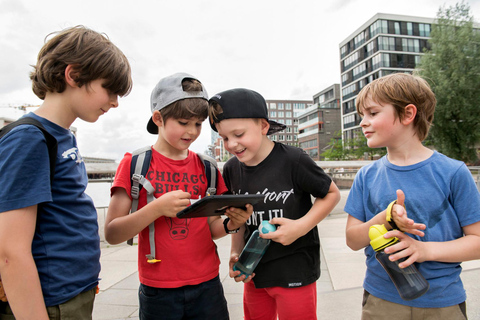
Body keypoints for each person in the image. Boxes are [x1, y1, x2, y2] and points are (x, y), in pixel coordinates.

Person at [0, 26, 132, 319]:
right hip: (50, 301)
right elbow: (11, 251)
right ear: (73, 76)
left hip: (72, 292)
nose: (115, 102)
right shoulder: (30, 139)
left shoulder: (62, 136)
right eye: (109, 89)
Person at [105, 72, 252, 320]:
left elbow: (211, 228)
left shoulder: (207, 168)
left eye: (198, 124)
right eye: (184, 123)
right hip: (157, 289)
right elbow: (112, 234)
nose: (192, 131)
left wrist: (232, 223)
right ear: (158, 118)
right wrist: (156, 208)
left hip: (208, 284)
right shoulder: (135, 164)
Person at [344, 73, 480, 319]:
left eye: (372, 113)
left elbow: (477, 240)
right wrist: (387, 218)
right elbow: (353, 240)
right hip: (381, 298)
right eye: (361, 115)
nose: (363, 122)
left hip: (443, 301)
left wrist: (424, 250)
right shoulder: (366, 176)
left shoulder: (453, 172)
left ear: (408, 114)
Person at [208, 88, 341, 320]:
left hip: (295, 268)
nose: (231, 144)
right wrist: (235, 252)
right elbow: (237, 217)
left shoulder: (294, 160)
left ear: (263, 126)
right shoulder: (231, 169)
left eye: (238, 134)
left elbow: (331, 193)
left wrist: (301, 226)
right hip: (254, 270)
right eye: (224, 138)